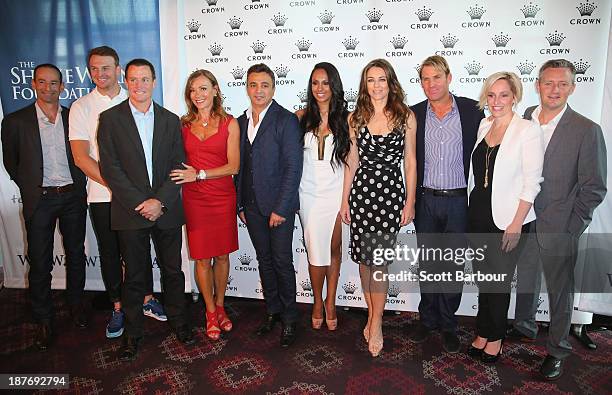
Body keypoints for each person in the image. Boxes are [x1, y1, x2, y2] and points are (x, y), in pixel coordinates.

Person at [513, 59, 607, 380]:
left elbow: (594, 187)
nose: (554, 90)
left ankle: (557, 350)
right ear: (538, 84)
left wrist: (572, 227)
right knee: (525, 280)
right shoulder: (523, 119)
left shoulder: (586, 130)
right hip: (524, 220)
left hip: (560, 225)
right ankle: (524, 326)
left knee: (559, 292)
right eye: (548, 83)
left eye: (562, 84)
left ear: (572, 87)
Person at [97, 58, 195, 362]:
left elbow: (178, 164)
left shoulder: (170, 120)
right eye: (134, 79)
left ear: (154, 82)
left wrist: (160, 202)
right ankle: (133, 333)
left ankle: (180, 323)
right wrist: (141, 203)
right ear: (126, 81)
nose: (139, 85)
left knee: (173, 271)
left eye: (145, 79)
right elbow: (110, 169)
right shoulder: (110, 119)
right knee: (135, 276)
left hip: (166, 209)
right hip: (130, 211)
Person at [69, 46, 166, 340]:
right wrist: (118, 185)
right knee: (111, 254)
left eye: (106, 68)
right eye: (95, 69)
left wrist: (135, 192)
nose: (101, 74)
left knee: (139, 252)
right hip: (103, 196)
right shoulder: (81, 107)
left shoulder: (135, 97)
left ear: (119, 70)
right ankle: (118, 306)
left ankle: (147, 299)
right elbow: (81, 157)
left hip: (138, 197)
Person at [1, 63, 88, 350]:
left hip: (73, 196)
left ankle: (76, 306)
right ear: (34, 84)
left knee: (76, 253)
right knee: (39, 260)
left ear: (62, 86)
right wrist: (31, 185)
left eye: (54, 83)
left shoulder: (73, 116)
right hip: (41, 199)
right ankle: (43, 318)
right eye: (42, 82)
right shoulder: (15, 121)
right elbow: (12, 163)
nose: (48, 88)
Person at [340, 58, 416, 357]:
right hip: (362, 194)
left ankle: (377, 321)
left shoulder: (405, 116)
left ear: (390, 82)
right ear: (364, 85)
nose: (376, 85)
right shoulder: (355, 117)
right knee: (364, 259)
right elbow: (352, 162)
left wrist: (409, 201)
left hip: (389, 195)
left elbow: (410, 162)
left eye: (381, 79)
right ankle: (372, 315)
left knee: (380, 261)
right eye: (371, 80)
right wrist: (345, 199)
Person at [466, 71, 544, 363]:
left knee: (497, 281)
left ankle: (495, 337)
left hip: (508, 220)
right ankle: (483, 331)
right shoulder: (485, 125)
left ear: (515, 96)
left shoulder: (527, 129)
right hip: (478, 215)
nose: (496, 101)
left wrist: (515, 223)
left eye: (504, 95)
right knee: (484, 278)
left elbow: (532, 182)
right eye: (491, 94)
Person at [408, 55, 484, 353]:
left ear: (449, 77)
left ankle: (449, 325)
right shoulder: (413, 114)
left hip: (458, 202)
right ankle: (428, 321)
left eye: (436, 77)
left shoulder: (471, 111)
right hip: (425, 200)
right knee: (427, 264)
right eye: (425, 78)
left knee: (452, 267)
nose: (431, 84)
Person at [234, 63, 303, 348]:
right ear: (247, 87)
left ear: (273, 88)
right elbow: (239, 167)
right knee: (264, 261)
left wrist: (281, 208)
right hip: (251, 207)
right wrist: (240, 204)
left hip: (278, 209)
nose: (258, 90)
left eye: (264, 85)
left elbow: (292, 167)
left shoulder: (286, 120)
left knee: (282, 262)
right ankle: (272, 311)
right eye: (253, 85)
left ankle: (289, 318)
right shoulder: (239, 122)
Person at [169, 69, 239, 340]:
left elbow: (234, 166)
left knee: (222, 255)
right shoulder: (183, 125)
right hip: (195, 199)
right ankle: (209, 311)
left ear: (215, 89)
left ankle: (220, 306)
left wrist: (199, 174)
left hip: (222, 196)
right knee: (201, 257)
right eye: (193, 90)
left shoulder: (230, 123)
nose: (197, 95)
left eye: (203, 89)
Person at [296, 62, 350, 331]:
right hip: (308, 195)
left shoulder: (347, 120)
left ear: (334, 86)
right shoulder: (300, 117)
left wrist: (346, 199)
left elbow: (353, 163)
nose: (320, 88)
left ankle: (331, 301)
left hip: (336, 192)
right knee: (315, 251)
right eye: (315, 83)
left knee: (333, 249)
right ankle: (317, 301)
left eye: (326, 83)